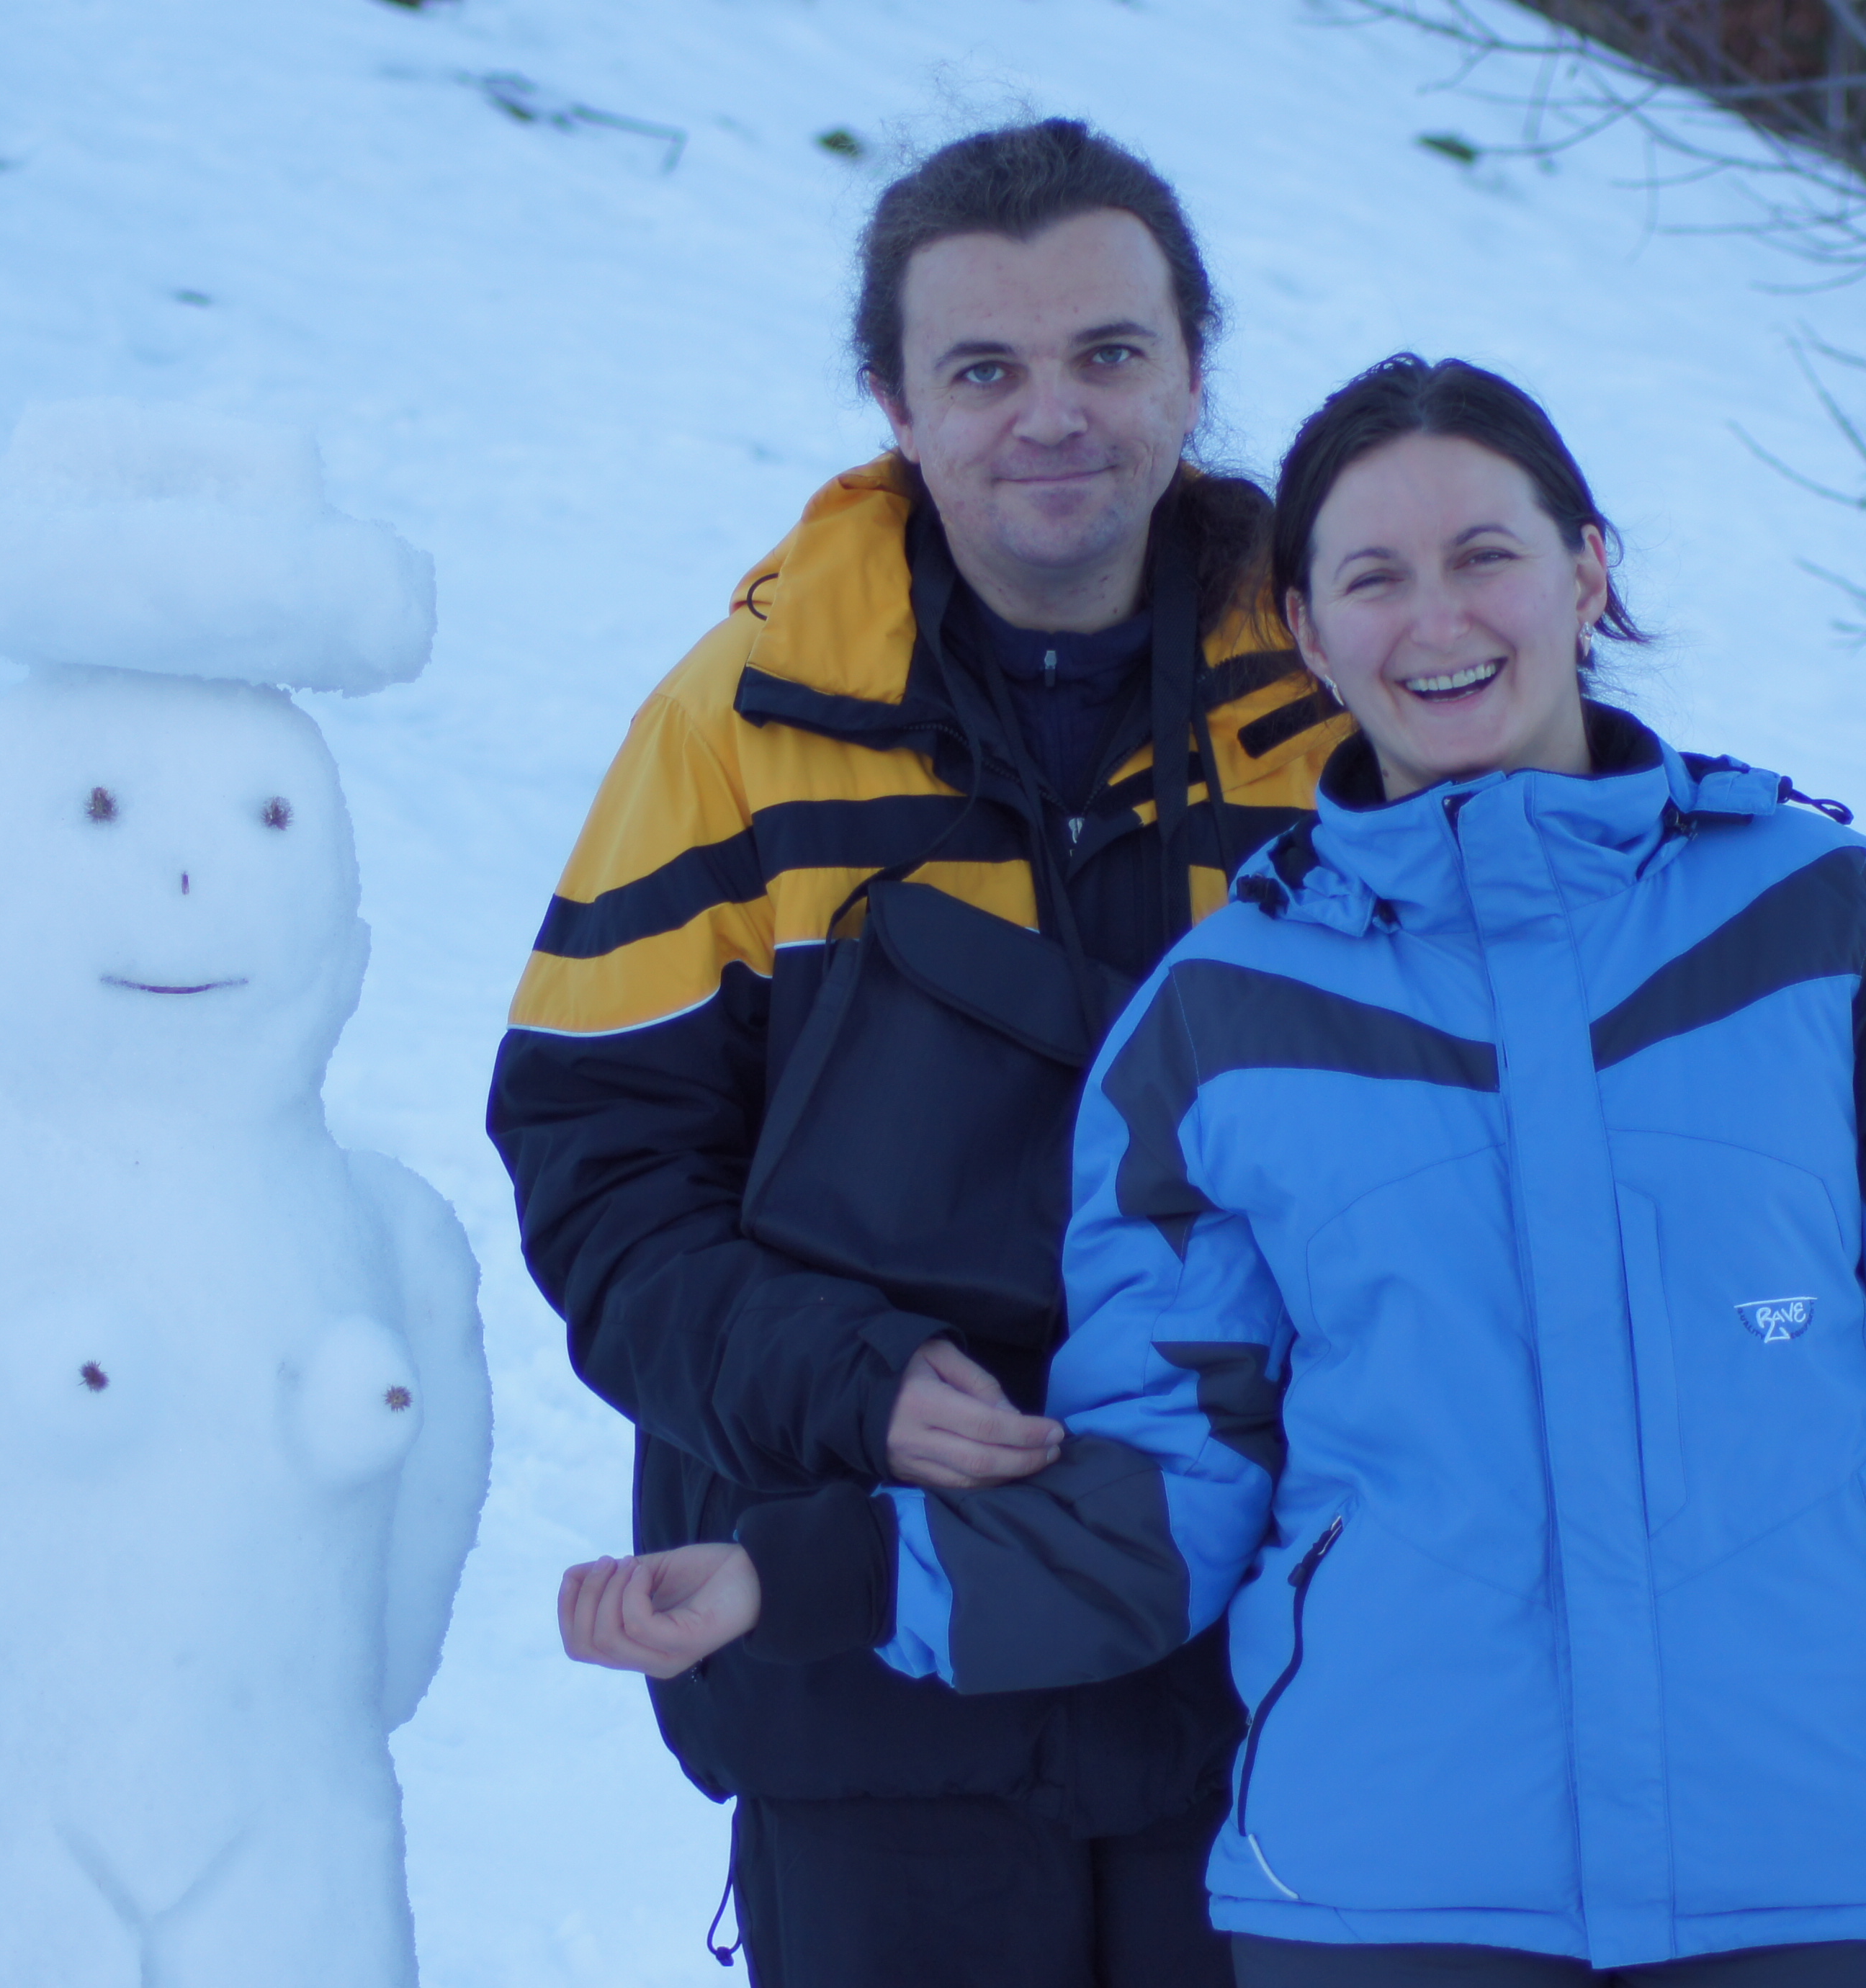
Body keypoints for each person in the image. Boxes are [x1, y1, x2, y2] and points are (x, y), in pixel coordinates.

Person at [564, 357, 1866, 1988]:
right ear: (1306, 633)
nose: (1436, 620)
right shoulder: (1223, 1017)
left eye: (1483, 555)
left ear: (1585, 572)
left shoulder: (1808, 921)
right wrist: (796, 1573)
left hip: (1813, 1869)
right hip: (1386, 1900)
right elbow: (1158, 1489)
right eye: (1372, 577)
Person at [491, 121, 1346, 1988]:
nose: (1053, 416)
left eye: (1107, 353)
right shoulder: (738, 725)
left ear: (1193, 365)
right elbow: (598, 1170)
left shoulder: (1342, 704)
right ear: (892, 398)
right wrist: (845, 1379)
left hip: (1280, 1673)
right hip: (855, 1656)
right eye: (983, 370)